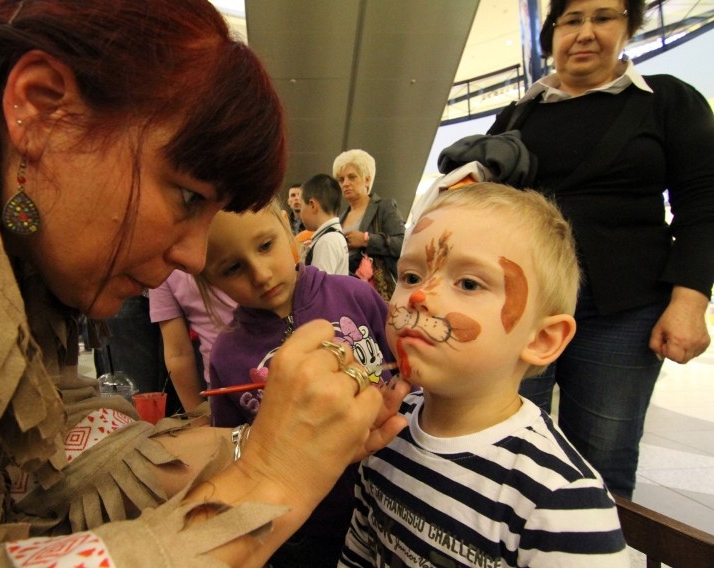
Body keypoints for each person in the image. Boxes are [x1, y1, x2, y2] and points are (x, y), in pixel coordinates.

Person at [0, 1, 411, 565]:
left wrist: (285, 441)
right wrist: (269, 480)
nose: (192, 258)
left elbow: (56, 456)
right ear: (40, 105)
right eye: (187, 197)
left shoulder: (1, 252)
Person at [483, 0, 714, 498]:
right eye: (571, 20)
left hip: (624, 310)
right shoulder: (516, 114)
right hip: (524, 308)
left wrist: (690, 300)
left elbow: (704, 204)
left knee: (603, 458)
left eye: (604, 17)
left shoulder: (667, 100)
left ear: (628, 26)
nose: (586, 32)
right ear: (552, 35)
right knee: (506, 444)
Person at [341, 183, 629, 567]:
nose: (419, 296)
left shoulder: (560, 501)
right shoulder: (385, 426)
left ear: (542, 339)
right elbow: (361, 545)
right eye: (410, 276)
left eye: (469, 284)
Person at [199, 200, 395, 568]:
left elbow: (408, 375)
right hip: (307, 531)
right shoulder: (226, 355)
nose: (260, 274)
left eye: (265, 246)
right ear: (210, 280)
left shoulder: (354, 294)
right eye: (232, 267)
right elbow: (231, 450)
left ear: (289, 233)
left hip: (393, 503)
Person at [149, 270, 237, 412]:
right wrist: (197, 417)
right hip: (221, 392)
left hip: (278, 375)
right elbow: (178, 353)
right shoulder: (161, 268)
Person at [333, 149, 405, 299]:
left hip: (376, 293)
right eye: (341, 179)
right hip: (345, 292)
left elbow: (403, 244)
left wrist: (366, 239)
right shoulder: (338, 219)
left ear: (367, 179)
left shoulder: (384, 206)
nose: (345, 183)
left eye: (352, 177)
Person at [299, 173, 349, 275]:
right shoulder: (333, 236)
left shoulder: (327, 241)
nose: (300, 213)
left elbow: (318, 287)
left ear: (312, 205)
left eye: (301, 206)